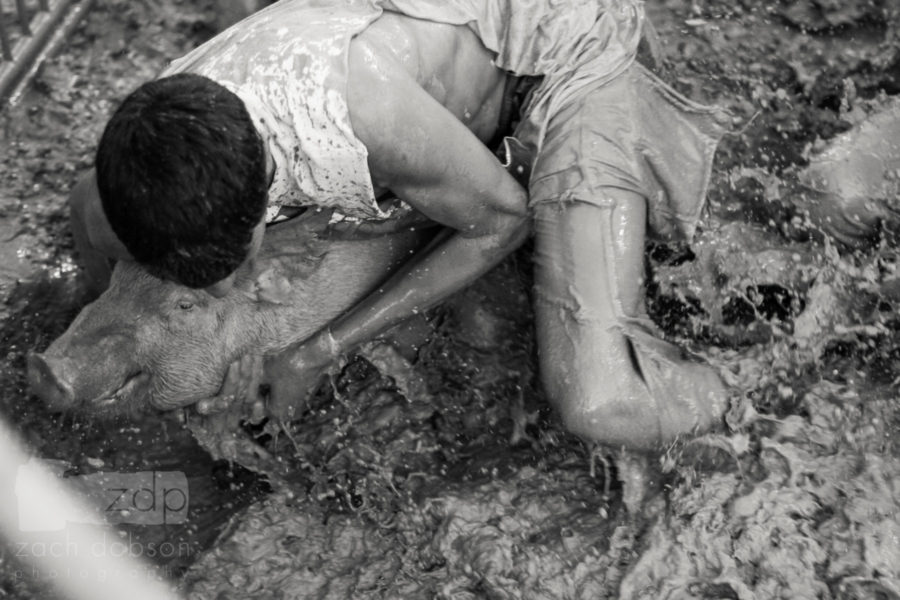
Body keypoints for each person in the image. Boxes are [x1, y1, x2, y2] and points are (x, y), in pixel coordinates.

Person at [69, 0, 730, 450]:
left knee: (598, 403)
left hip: (557, 56)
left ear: (264, 209)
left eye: (221, 275)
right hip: (421, 56)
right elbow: (100, 238)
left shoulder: (356, 112)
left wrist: (316, 352)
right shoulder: (119, 189)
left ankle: (753, 399)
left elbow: (502, 220)